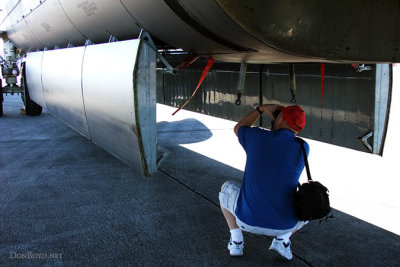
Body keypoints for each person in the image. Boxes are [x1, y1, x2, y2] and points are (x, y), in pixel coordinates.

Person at [219, 104, 309, 260]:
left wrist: (260, 110)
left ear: (280, 120)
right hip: (285, 226)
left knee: (226, 187)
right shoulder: (303, 148)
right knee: (308, 202)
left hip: (246, 221)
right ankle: (283, 239)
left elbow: (239, 127)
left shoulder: (258, 137)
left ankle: (236, 242)